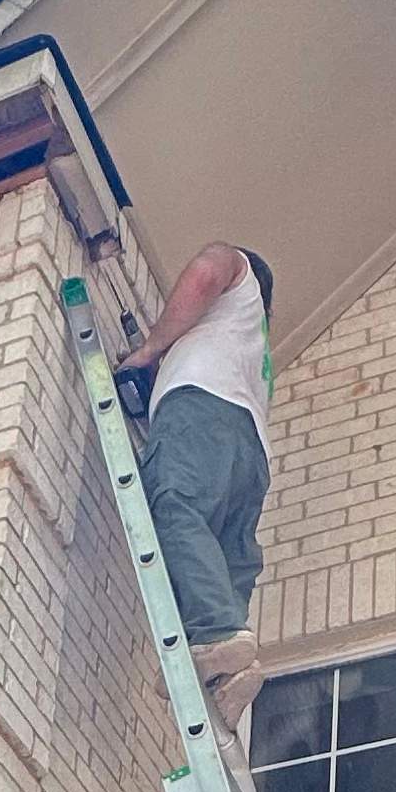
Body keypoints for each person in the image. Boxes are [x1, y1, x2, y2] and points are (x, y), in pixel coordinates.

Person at [115, 245, 273, 730]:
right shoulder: (253, 351)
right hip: (250, 453)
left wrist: (149, 350)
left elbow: (206, 269)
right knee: (226, 562)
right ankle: (229, 674)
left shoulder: (238, 270)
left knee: (174, 504)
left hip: (201, 411)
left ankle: (218, 632)